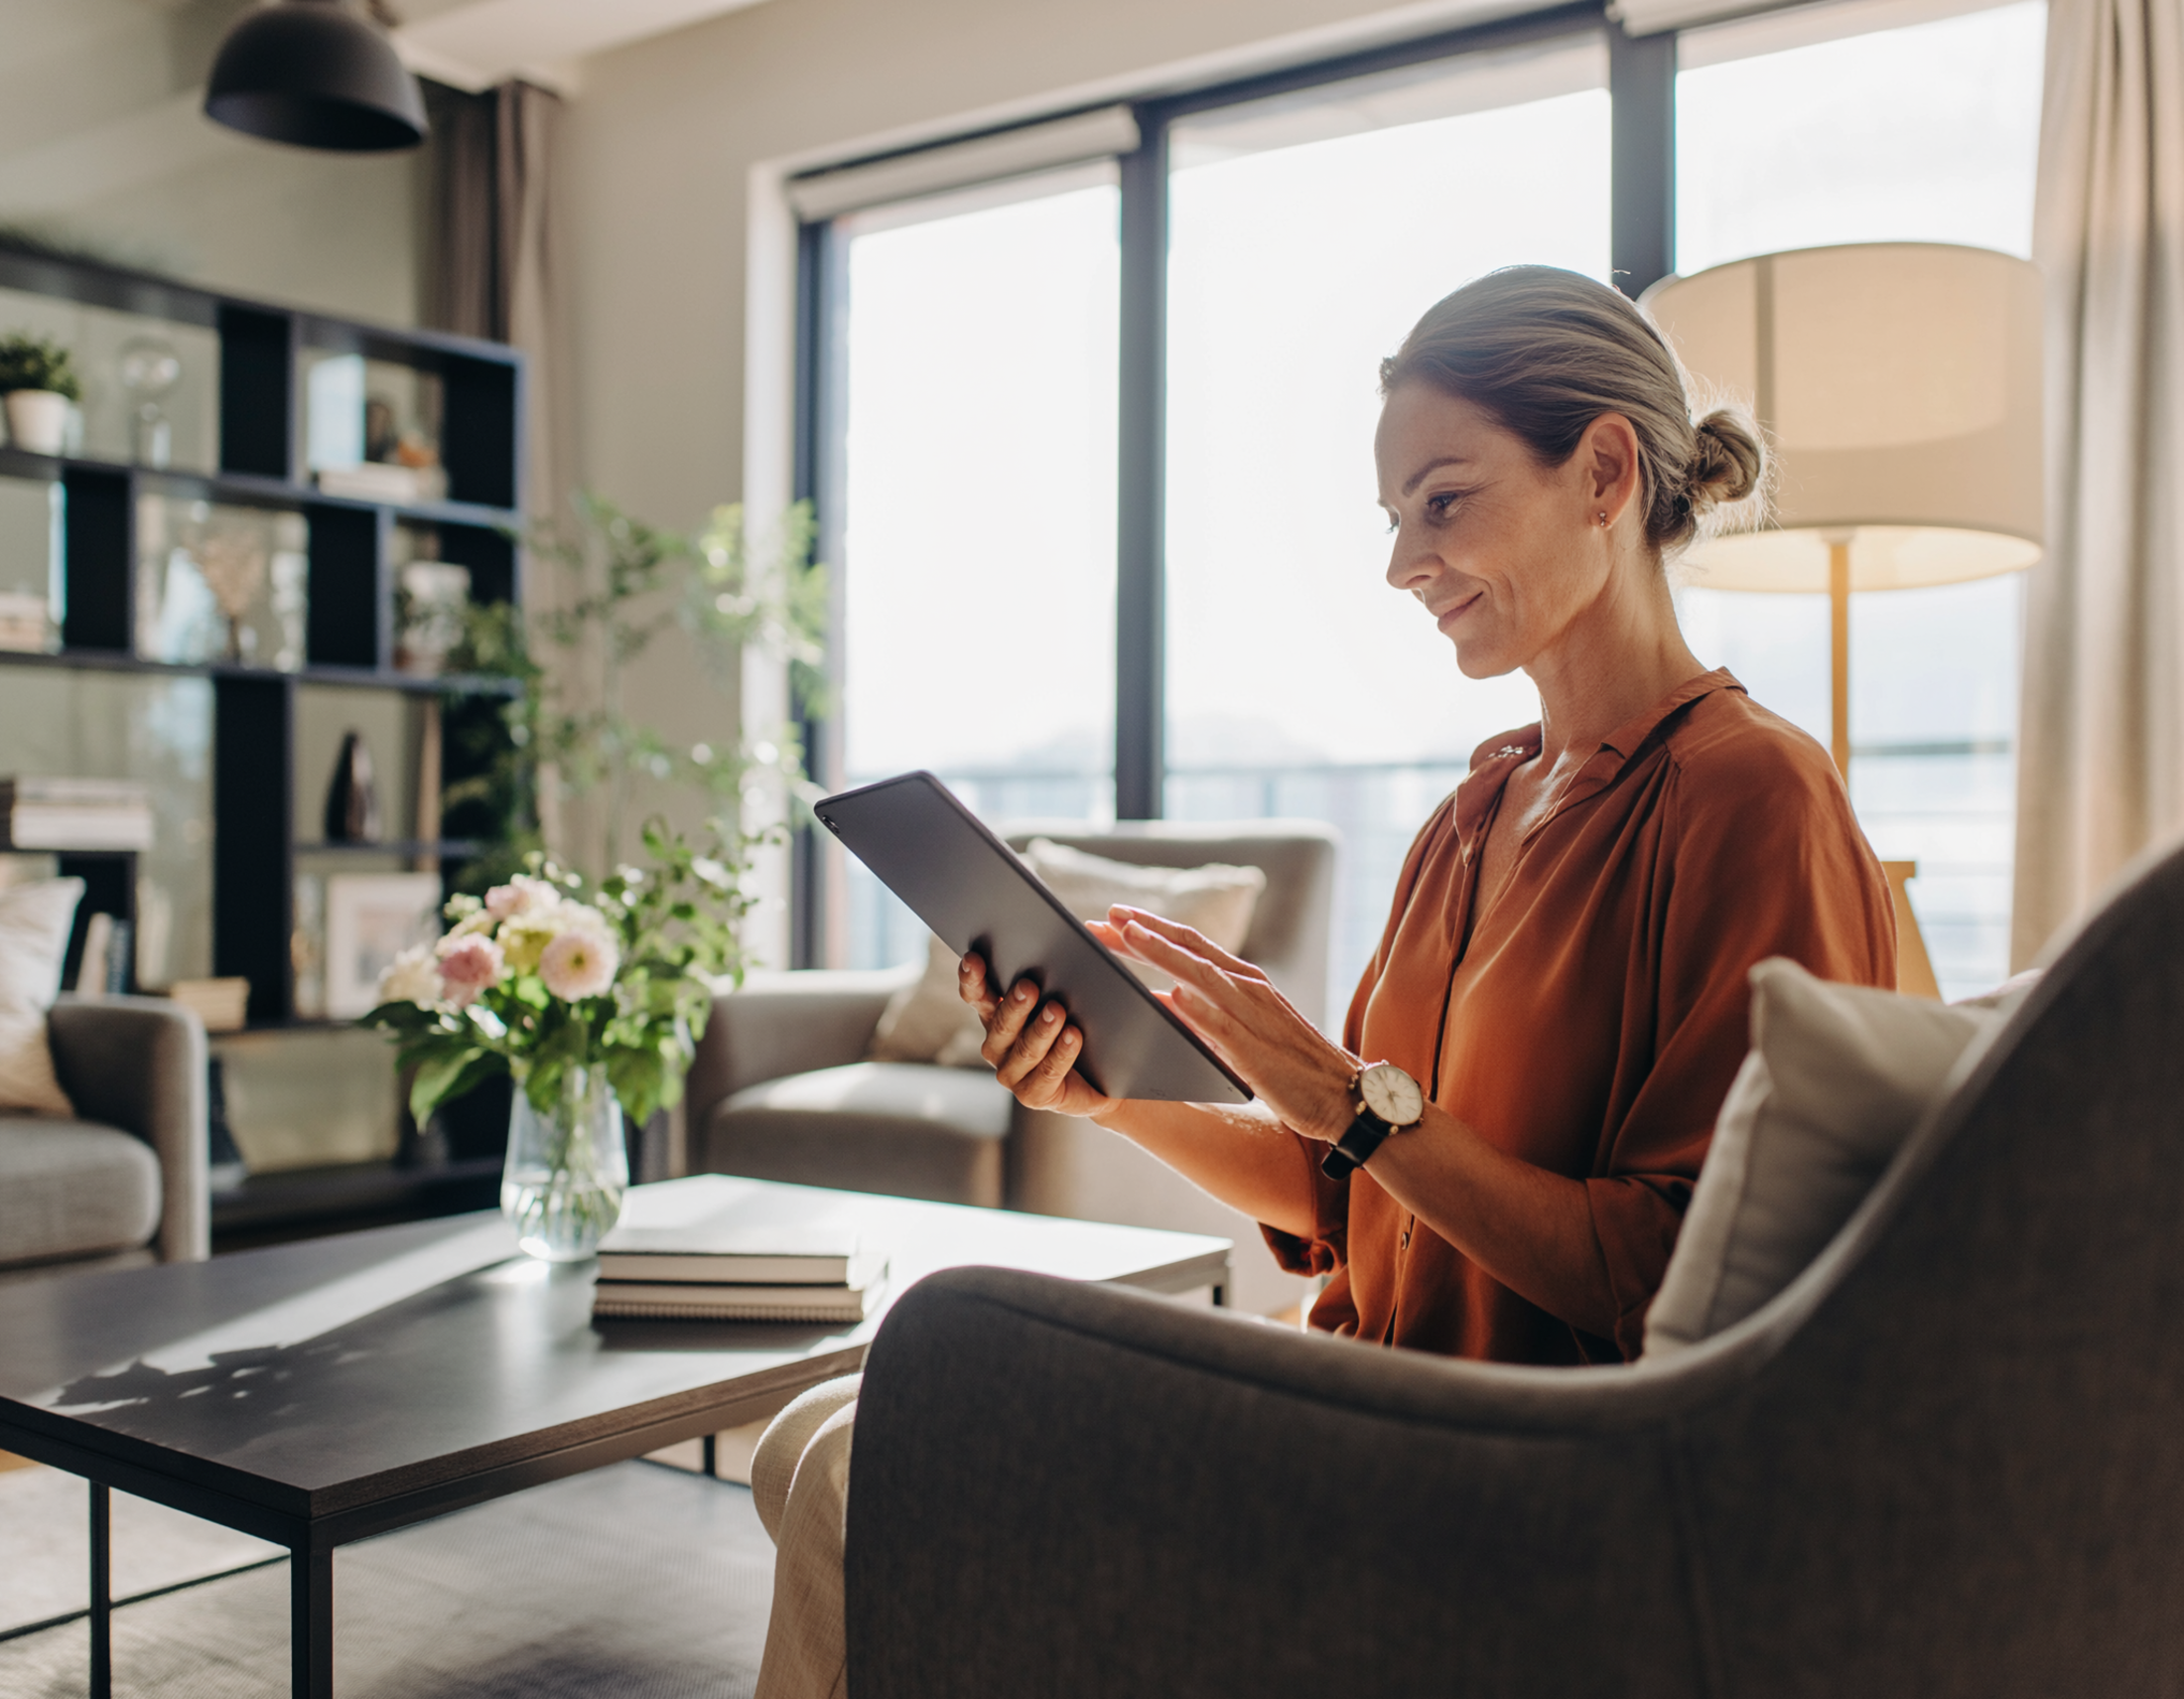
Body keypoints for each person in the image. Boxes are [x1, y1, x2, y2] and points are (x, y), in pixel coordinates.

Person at [749, 264, 1897, 1697]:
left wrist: (1349, 1103)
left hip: (1509, 1466)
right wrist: (1113, 1095)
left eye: (1444, 500)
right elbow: (1346, 1190)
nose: (1404, 563)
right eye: (1394, 517)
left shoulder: (1751, 798)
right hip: (1359, 1389)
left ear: (1604, 469)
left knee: (887, 1444)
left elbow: (1679, 1282)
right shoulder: (1471, 818)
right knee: (811, 1435)